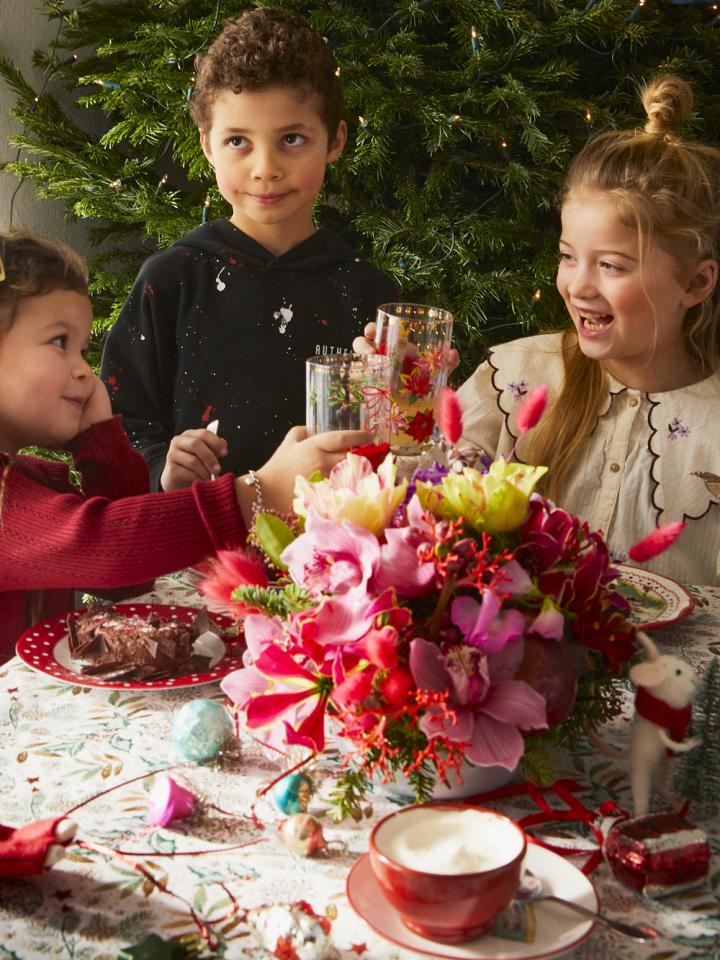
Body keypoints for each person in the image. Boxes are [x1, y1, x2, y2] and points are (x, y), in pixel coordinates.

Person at [0, 231, 370, 663]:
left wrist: (100, 440)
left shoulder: (27, 478)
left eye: (83, 349)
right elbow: (105, 547)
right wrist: (255, 493)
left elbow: (126, 583)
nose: (85, 370)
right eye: (60, 342)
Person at [100, 6, 396, 492]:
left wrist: (414, 387)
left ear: (335, 140)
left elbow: (392, 442)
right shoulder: (172, 281)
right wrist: (162, 470)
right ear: (207, 146)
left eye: (293, 139)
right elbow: (117, 426)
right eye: (238, 140)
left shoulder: (366, 293)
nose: (265, 168)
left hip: (331, 554)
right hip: (198, 553)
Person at [453, 75, 720, 585]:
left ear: (696, 282)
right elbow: (425, 503)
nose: (577, 285)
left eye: (612, 266)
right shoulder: (513, 379)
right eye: (568, 257)